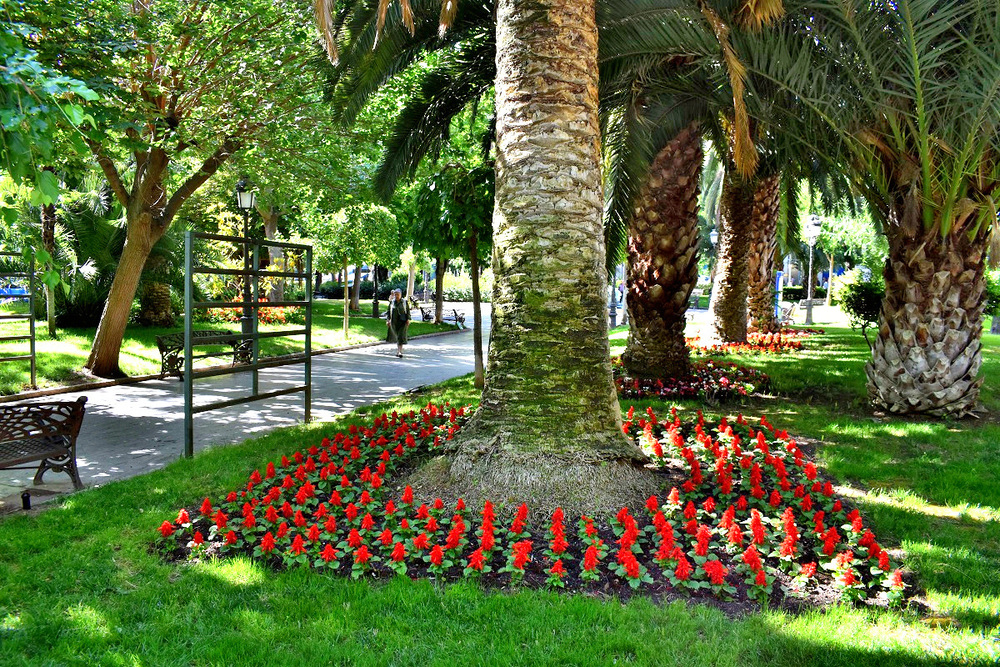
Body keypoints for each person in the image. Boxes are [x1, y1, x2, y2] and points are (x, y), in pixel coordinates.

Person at [386, 289, 410, 357]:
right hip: (394, 322)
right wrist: (388, 320)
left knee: (400, 336)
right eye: (395, 294)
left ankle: (399, 351)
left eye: (398, 294)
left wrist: (408, 319)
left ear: (401, 295)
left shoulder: (404, 302)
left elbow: (408, 311)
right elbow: (388, 312)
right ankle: (398, 351)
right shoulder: (392, 302)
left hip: (403, 322)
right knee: (396, 336)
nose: (396, 296)